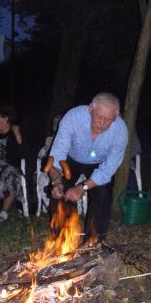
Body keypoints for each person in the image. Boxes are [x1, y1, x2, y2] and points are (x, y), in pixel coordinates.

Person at [48, 92, 128, 241]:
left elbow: (108, 170)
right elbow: (57, 155)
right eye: (98, 116)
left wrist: (82, 187)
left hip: (99, 164)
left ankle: (94, 242)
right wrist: (57, 182)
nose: (102, 123)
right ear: (90, 109)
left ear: (117, 117)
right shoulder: (72, 118)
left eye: (108, 119)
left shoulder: (120, 132)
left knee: (104, 194)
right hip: (71, 159)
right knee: (59, 192)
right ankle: (59, 239)